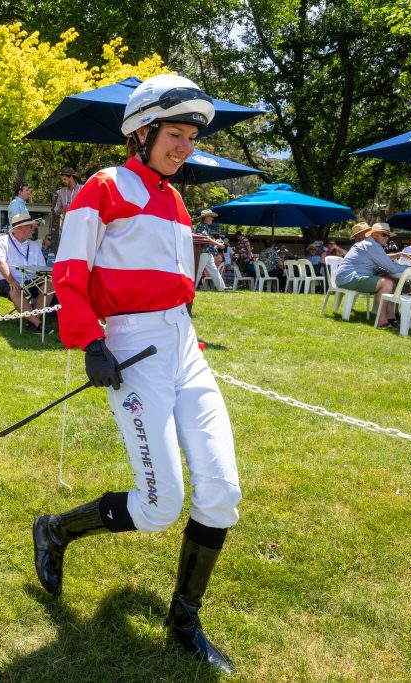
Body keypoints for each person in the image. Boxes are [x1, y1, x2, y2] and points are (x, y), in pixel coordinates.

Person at [40, 74, 240, 674]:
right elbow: (70, 271)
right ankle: (55, 529)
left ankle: (184, 620)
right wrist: (89, 340)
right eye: (174, 135)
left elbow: (173, 285)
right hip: (129, 344)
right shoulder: (104, 188)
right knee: (160, 506)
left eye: (190, 138)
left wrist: (187, 336)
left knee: (222, 493)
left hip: (182, 344)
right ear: (142, 132)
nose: (184, 147)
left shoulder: (177, 201)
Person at [335, 223, 409, 327]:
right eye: (384, 234)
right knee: (387, 283)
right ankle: (382, 320)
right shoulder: (371, 245)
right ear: (374, 235)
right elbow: (391, 267)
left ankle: (391, 315)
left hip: (348, 277)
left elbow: (380, 262)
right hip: (349, 278)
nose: (387, 238)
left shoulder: (370, 244)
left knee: (391, 280)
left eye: (388, 235)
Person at [0, 213, 48, 332]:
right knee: (14, 289)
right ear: (20, 228)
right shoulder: (3, 241)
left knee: (50, 285)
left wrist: (44, 279)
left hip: (30, 279)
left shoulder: (33, 245)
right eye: (30, 226)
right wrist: (11, 280)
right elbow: (0, 262)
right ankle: (38, 325)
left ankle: (32, 321)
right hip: (7, 279)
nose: (33, 229)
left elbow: (42, 267)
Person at [196, 209, 225, 290]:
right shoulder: (202, 226)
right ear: (206, 217)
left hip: (207, 252)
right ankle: (191, 288)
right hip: (203, 252)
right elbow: (206, 238)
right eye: (211, 217)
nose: (212, 218)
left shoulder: (206, 227)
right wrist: (218, 244)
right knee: (198, 271)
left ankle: (222, 288)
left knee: (214, 271)